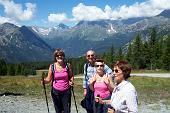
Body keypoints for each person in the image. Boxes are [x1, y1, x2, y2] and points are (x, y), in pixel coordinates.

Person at [41, 48, 74, 113]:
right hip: (55, 92)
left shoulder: (67, 65)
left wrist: (71, 81)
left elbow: (71, 76)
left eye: (61, 55)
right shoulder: (52, 66)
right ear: (55, 57)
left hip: (66, 91)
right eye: (57, 55)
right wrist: (44, 81)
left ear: (63, 56)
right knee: (58, 110)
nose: (59, 56)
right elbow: (48, 79)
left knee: (67, 110)